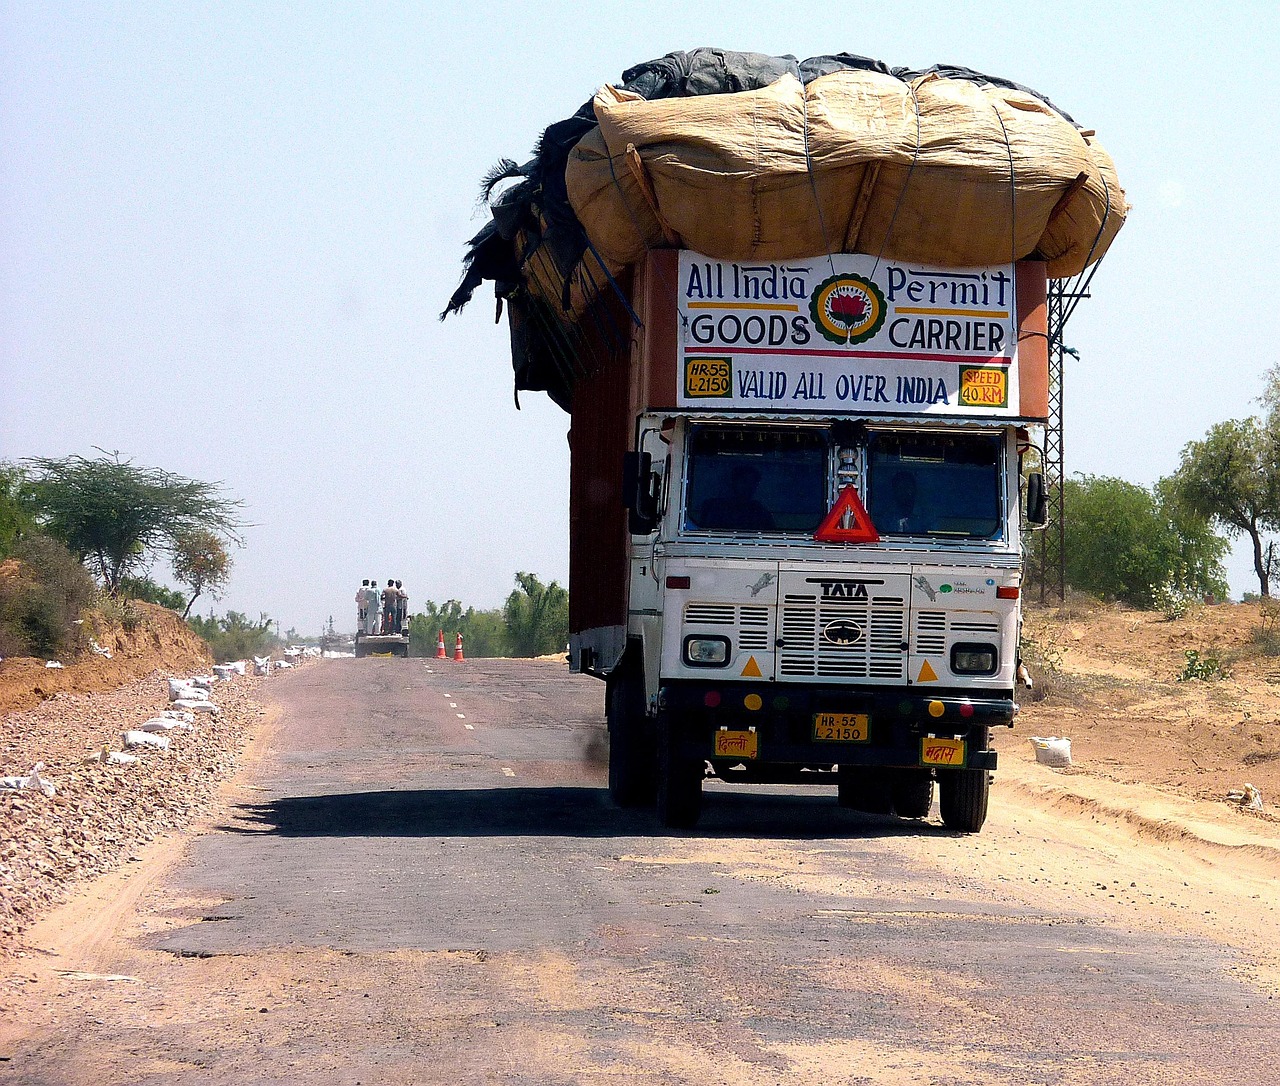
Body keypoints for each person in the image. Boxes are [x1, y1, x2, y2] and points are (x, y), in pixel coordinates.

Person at [699, 463, 774, 531]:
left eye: (752, 482)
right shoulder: (715, 507)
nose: (748, 486)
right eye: (744, 481)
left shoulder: (760, 511)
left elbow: (770, 533)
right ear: (733, 483)